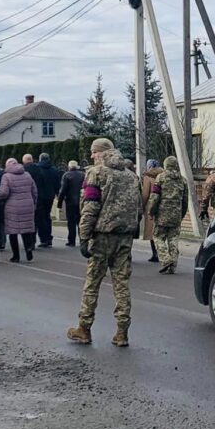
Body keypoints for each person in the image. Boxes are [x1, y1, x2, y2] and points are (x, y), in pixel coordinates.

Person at [67, 137, 142, 347]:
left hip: (102, 236)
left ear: (101, 152)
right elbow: (138, 207)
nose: (92, 156)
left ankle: (84, 328)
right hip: (125, 236)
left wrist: (84, 236)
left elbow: (90, 206)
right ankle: (122, 332)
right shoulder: (131, 175)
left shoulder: (96, 173)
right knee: (122, 284)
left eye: (94, 151)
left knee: (92, 283)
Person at [147, 155, 187, 274]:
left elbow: (155, 197)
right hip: (176, 214)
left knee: (158, 237)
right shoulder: (183, 180)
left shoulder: (161, 178)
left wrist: (151, 211)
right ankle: (173, 265)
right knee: (173, 239)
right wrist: (181, 214)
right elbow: (185, 200)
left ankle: (165, 259)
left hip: (162, 214)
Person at [0, 158, 38, 262]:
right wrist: (34, 202)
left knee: (13, 232)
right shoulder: (27, 175)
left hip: (12, 206)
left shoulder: (6, 176)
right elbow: (34, 190)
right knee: (26, 230)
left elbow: (3, 193)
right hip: (27, 205)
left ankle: (16, 256)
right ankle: (28, 249)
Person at [35, 153, 62, 248]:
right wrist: (57, 194)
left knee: (40, 218)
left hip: (40, 196)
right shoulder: (54, 170)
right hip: (50, 196)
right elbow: (57, 184)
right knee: (47, 216)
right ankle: (49, 238)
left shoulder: (37, 169)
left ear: (40, 159)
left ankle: (44, 238)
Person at [58, 160, 84, 247]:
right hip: (81, 201)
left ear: (69, 167)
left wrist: (60, 202)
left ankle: (71, 240)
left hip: (70, 201)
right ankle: (82, 240)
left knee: (71, 222)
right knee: (80, 221)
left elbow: (63, 189)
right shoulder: (82, 175)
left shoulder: (66, 175)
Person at [141, 159, 162, 263]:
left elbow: (145, 194)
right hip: (163, 206)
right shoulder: (163, 175)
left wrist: (141, 206)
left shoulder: (148, 177)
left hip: (151, 206)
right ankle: (163, 253)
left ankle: (155, 254)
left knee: (151, 232)